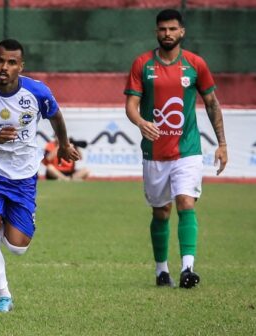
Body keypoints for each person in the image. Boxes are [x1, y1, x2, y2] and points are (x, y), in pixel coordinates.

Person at [0, 39, 80, 312]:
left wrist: (63, 145)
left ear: (20, 66)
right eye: (0, 60)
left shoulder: (37, 92)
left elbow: (56, 116)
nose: (4, 67)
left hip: (24, 174)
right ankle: (4, 297)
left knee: (18, 246)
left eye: (11, 62)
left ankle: (1, 217)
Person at [124, 9, 228, 289]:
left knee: (185, 203)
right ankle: (161, 271)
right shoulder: (142, 64)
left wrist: (222, 144)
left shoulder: (196, 64)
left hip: (188, 151)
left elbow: (212, 103)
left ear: (182, 32)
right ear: (156, 32)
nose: (167, 34)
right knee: (161, 212)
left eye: (172, 29)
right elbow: (131, 105)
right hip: (154, 153)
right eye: (162, 29)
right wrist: (141, 122)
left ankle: (187, 268)